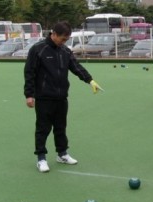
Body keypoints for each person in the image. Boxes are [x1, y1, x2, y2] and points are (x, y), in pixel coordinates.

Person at [24, 21, 102, 173]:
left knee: (61, 128)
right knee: (43, 129)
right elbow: (29, 73)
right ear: (53, 34)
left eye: (66, 40)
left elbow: (76, 67)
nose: (64, 42)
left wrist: (90, 80)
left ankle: (62, 154)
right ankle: (41, 158)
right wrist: (29, 95)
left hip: (61, 97)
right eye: (62, 39)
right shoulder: (38, 49)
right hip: (44, 97)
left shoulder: (65, 51)